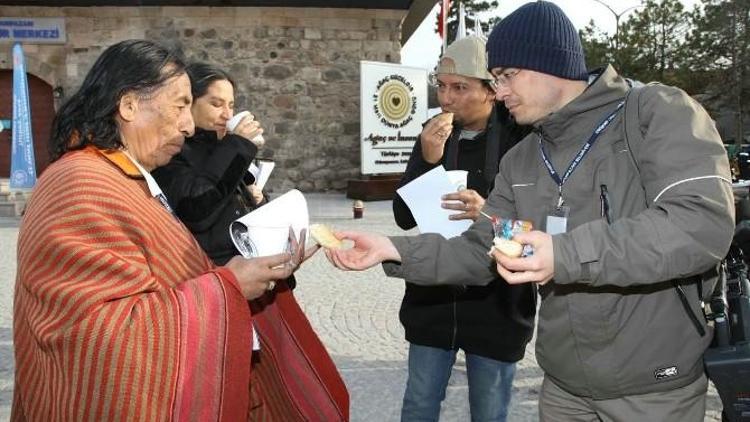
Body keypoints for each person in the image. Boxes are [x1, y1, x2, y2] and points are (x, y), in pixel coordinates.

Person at [325, 2, 735, 421]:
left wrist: (563, 254)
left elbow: (700, 225)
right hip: (562, 390)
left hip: (654, 390)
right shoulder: (522, 159)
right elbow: (478, 250)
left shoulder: (655, 113)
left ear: (549, 62)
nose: (498, 92)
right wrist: (391, 249)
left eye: (505, 76)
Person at [12, 39, 347, 421]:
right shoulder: (79, 187)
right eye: (181, 105)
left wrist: (266, 268)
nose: (189, 126)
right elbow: (97, 337)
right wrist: (229, 289)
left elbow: (174, 273)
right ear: (129, 105)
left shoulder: (124, 177)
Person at [392, 36, 534, 422]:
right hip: (432, 301)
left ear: (491, 91)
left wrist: (487, 213)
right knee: (418, 405)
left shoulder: (522, 139)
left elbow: (535, 232)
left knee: (489, 412)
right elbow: (404, 217)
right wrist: (427, 160)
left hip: (497, 304)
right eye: (441, 85)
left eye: (460, 88)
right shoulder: (431, 134)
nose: (446, 98)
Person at [153, 62, 267, 265]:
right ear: (189, 104)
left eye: (231, 105)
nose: (228, 115)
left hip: (245, 262)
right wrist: (238, 145)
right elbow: (197, 210)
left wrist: (257, 199)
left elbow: (234, 201)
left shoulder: (223, 146)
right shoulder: (172, 151)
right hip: (208, 269)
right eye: (216, 104)